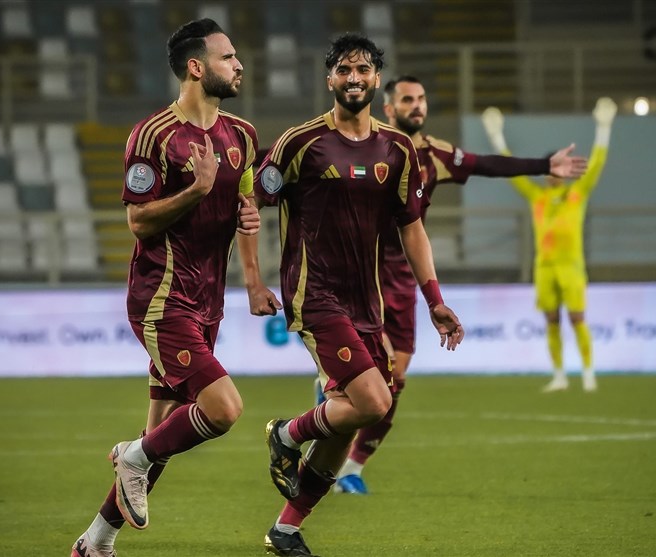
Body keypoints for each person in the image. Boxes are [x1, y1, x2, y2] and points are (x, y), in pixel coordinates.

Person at [249, 34, 465, 557]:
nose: (354, 78)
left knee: (349, 419)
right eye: (344, 70)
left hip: (368, 303)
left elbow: (412, 227)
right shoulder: (300, 142)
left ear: (376, 79)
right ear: (330, 78)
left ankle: (286, 529)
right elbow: (248, 203)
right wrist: (253, 280)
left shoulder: (397, 148)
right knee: (374, 401)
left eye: (363, 69)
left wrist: (434, 298)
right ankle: (286, 434)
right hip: (315, 294)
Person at [70, 18, 279, 557]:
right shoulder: (154, 135)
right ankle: (132, 455)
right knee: (223, 408)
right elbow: (138, 221)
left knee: (163, 434)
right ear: (196, 67)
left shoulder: (242, 135)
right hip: (161, 298)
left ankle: (95, 542)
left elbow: (246, 209)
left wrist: (254, 281)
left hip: (208, 302)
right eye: (227, 57)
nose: (238, 65)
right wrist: (196, 190)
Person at [330, 75, 589, 495]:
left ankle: (352, 468)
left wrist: (544, 165)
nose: (417, 106)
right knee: (369, 371)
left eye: (421, 99)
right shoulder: (366, 145)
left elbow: (486, 164)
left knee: (396, 380)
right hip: (358, 272)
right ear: (389, 108)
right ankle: (325, 419)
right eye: (407, 100)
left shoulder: (436, 155)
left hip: (403, 278)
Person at [482, 97, 617, 393]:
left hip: (571, 266)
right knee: (552, 320)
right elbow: (510, 171)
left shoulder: (577, 193)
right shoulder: (537, 197)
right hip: (544, 266)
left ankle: (588, 373)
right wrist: (496, 137)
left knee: (577, 318)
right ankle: (559, 375)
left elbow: (596, 165)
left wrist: (603, 128)